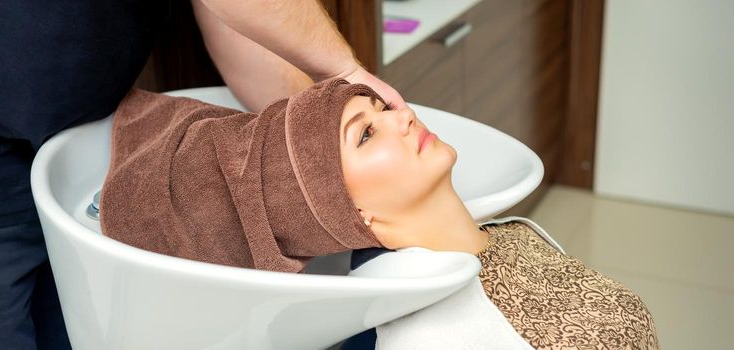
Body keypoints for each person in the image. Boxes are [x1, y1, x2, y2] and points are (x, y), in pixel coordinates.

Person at [0, 1, 405, 348]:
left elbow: (236, 23)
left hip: (87, 137)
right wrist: (346, 77)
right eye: (368, 131)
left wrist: (324, 144)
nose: (400, 122)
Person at [101, 78, 658, 349]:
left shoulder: (506, 236)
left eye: (380, 107)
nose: (401, 117)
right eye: (365, 133)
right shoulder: (442, 334)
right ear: (352, 213)